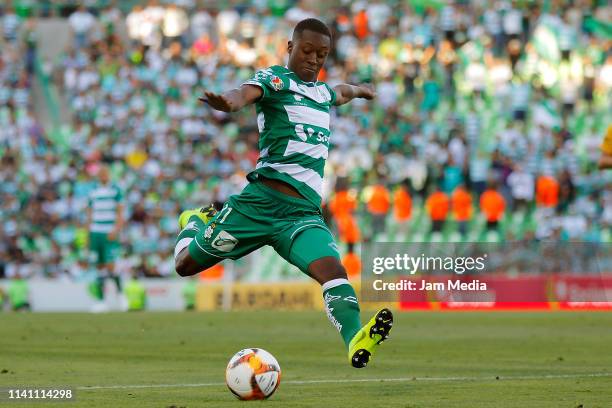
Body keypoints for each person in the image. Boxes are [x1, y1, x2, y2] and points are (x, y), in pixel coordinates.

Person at [174, 18, 392, 368]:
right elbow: (244, 94)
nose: (314, 59)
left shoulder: (323, 94)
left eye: (322, 54)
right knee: (184, 265)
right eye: (307, 51)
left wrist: (362, 88)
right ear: (290, 47)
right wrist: (229, 103)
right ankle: (194, 221)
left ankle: (354, 339)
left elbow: (343, 91)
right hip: (258, 206)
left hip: (302, 214)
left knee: (333, 271)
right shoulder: (275, 79)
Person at [86, 165, 125, 311]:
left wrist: (116, 229)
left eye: (105, 172)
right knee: (99, 267)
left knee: (111, 266)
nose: (103, 175)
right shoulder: (92, 191)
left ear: (109, 174)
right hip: (96, 232)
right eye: (101, 173)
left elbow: (121, 212)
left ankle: (121, 296)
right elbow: (89, 213)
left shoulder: (116, 189)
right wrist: (88, 233)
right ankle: (101, 301)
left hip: (109, 231)